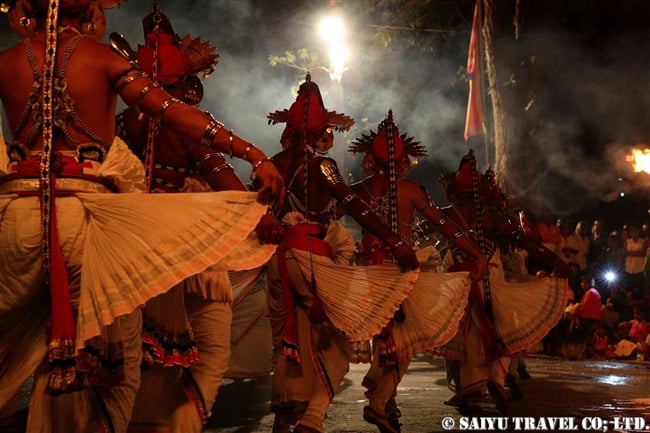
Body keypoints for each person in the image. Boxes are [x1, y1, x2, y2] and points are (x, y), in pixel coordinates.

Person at [0, 1, 283, 432]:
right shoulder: (103, 60)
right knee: (109, 373)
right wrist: (253, 153)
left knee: (12, 354)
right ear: (91, 10)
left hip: (14, 220)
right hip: (89, 224)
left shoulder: (5, 62)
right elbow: (177, 115)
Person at [116, 7, 277, 432]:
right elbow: (216, 167)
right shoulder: (185, 124)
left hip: (133, 246)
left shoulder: (121, 122)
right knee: (210, 348)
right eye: (189, 87)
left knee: (143, 352)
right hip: (189, 245)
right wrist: (254, 211)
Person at [264, 75, 421, 433]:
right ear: (322, 131)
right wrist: (396, 242)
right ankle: (313, 418)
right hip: (312, 262)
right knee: (336, 341)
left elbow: (258, 209)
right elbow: (353, 205)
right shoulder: (324, 166)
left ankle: (284, 418)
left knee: (291, 341)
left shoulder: (272, 163)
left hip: (278, 265)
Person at [346, 110, 488, 433]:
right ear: (402, 159)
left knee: (385, 336)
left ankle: (386, 400)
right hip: (401, 272)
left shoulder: (358, 191)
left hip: (369, 272)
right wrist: (476, 251)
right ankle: (379, 404)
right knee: (404, 341)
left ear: (371, 157)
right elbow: (445, 227)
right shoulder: (410, 189)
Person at [431, 150, 572, 416]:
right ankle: (496, 378)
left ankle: (471, 391)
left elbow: (417, 234)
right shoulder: (492, 216)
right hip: (490, 279)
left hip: (459, 281)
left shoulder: (444, 214)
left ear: (454, 192)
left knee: (467, 336)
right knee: (506, 331)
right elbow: (524, 241)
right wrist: (555, 261)